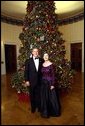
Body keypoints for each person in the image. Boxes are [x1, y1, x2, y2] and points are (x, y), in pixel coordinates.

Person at [40, 53, 61, 118]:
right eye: (44, 56)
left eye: (47, 55)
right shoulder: (42, 64)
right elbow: (41, 74)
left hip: (50, 83)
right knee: (44, 98)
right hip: (43, 84)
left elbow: (53, 75)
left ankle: (52, 111)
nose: (46, 57)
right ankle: (45, 112)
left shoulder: (51, 65)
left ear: (48, 57)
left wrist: (52, 84)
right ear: (43, 57)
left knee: (51, 98)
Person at [24, 47, 44, 113]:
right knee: (32, 95)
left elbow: (43, 71)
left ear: (38, 52)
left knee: (39, 95)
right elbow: (26, 71)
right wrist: (27, 80)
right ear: (32, 52)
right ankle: (33, 108)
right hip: (31, 81)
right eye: (34, 51)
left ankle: (39, 107)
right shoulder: (28, 61)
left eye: (37, 51)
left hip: (39, 81)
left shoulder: (41, 60)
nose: (36, 52)